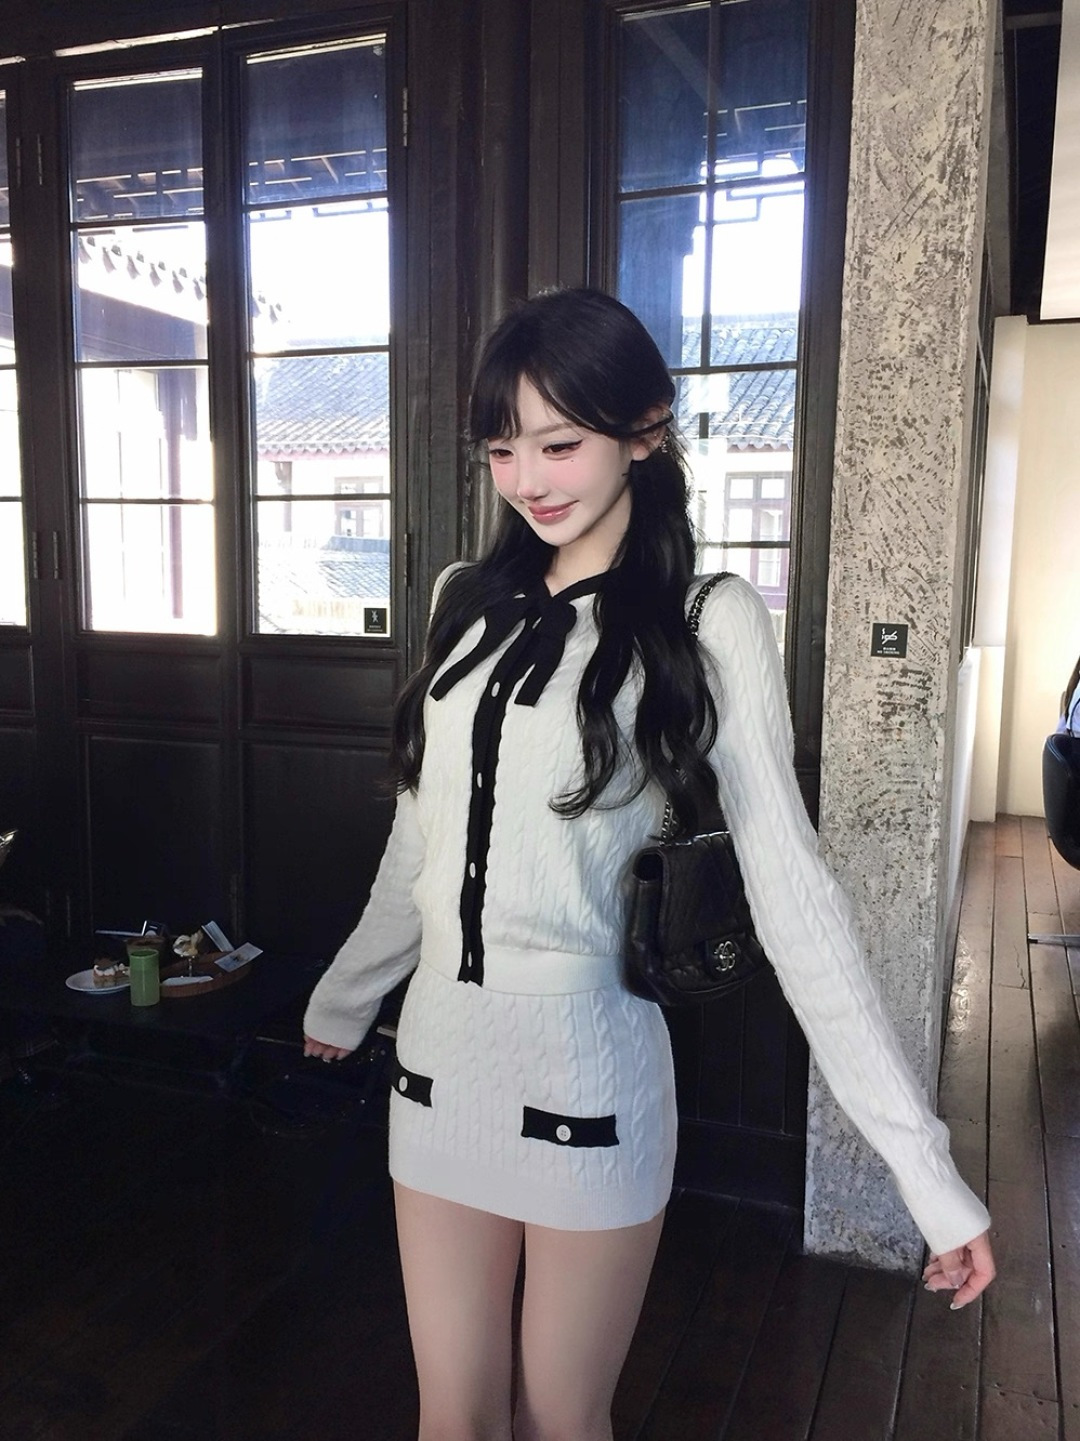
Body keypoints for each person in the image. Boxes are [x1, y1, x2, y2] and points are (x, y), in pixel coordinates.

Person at [303, 288, 995, 1441]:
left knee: (563, 1421)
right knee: (450, 1420)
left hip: (589, 1077)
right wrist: (347, 994)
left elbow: (795, 895)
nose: (528, 479)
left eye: (559, 442)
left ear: (645, 431)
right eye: (502, 448)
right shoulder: (461, 601)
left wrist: (924, 1171)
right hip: (435, 1064)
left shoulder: (708, 617)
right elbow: (419, 836)